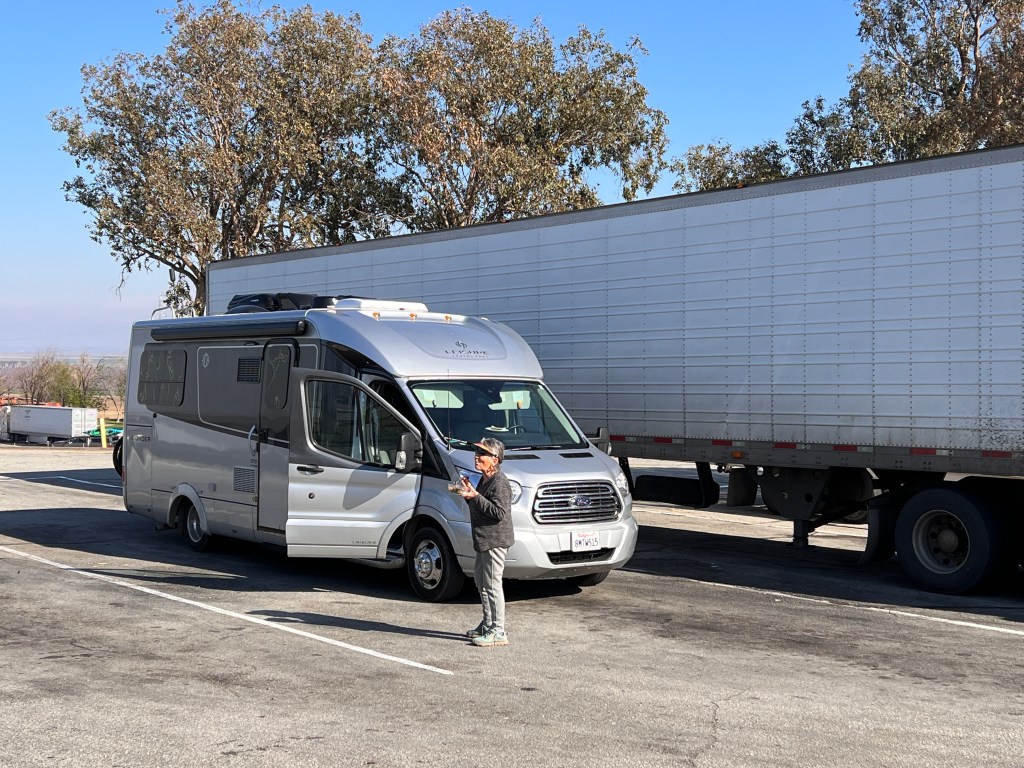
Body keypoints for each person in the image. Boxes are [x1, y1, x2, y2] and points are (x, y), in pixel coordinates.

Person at [456, 436, 514, 647]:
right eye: (477, 452)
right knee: (481, 583)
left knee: (492, 585)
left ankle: (498, 631)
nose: (477, 456)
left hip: (494, 540)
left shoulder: (500, 482)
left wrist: (475, 496)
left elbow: (499, 512)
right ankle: (488, 624)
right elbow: (482, 507)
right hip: (483, 539)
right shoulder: (485, 479)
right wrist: (469, 495)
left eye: (482, 453)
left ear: (495, 459)